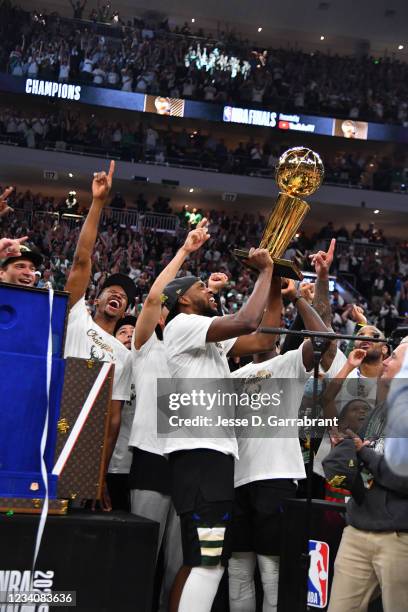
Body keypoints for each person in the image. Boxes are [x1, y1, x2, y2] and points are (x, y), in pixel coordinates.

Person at [162, 248, 276, 612]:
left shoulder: (205, 337)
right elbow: (245, 322)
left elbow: (262, 341)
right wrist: (263, 273)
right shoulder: (183, 325)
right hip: (200, 458)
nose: (209, 291)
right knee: (208, 563)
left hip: (208, 458)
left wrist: (274, 284)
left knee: (208, 560)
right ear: (183, 299)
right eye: (201, 286)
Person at [228, 279, 332, 612]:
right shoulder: (230, 377)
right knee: (238, 569)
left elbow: (324, 339)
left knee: (271, 568)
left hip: (276, 477)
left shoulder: (287, 364)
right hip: (235, 479)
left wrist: (300, 298)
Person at [129, 219, 210, 612]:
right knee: (142, 556)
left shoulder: (195, 347)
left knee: (181, 563)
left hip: (188, 461)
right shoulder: (145, 345)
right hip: (149, 457)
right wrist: (184, 252)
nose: (161, 310)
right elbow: (151, 299)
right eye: (162, 308)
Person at [64, 161, 135, 509]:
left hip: (85, 446)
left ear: (124, 311)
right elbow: (81, 260)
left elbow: (113, 421)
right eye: (112, 290)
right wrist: (97, 204)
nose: (118, 295)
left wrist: (101, 475)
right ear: (96, 297)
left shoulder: (123, 355)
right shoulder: (76, 316)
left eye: (124, 298)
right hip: (54, 419)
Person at [323, 339, 408, 612]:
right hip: (358, 529)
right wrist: (348, 452)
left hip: (398, 536)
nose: (385, 361)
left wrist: (364, 453)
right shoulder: (379, 411)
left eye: (393, 357)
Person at [106, 315, 137, 512]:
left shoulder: (149, 370)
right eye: (122, 332)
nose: (128, 336)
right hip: (109, 464)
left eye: (133, 334)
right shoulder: (106, 368)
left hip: (139, 465)